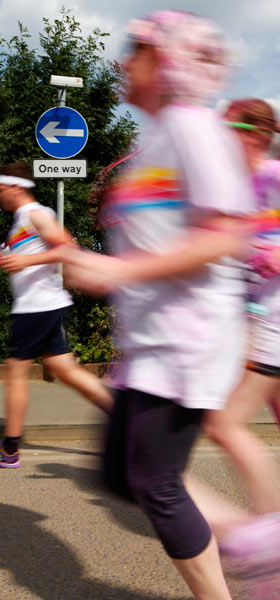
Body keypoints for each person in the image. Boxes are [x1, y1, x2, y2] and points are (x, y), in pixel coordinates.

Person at [56, 10, 278, 600]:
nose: (122, 61)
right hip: (151, 342)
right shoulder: (154, 137)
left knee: (153, 480)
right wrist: (95, 265)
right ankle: (256, 540)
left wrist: (120, 270)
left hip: (188, 340)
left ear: (169, 62)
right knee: (122, 475)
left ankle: (250, 554)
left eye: (137, 49)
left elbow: (227, 237)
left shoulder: (193, 128)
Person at [0, 161, 112, 468]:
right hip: (44, 305)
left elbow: (68, 249)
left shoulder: (38, 213)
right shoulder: (23, 219)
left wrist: (25, 262)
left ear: (15, 187)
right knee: (67, 371)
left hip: (38, 307)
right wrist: (2, 256)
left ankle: (9, 451)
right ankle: (128, 420)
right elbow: (27, 254)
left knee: (14, 373)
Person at [202, 99, 280, 517]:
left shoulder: (274, 176)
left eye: (227, 129)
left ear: (254, 135)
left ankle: (268, 534)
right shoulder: (238, 186)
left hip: (273, 324)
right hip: (255, 320)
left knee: (223, 424)